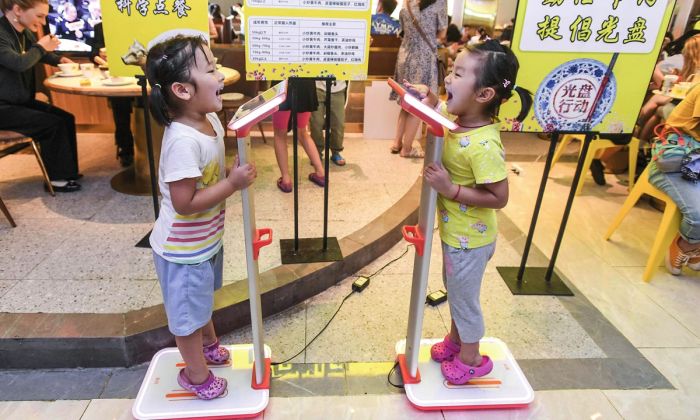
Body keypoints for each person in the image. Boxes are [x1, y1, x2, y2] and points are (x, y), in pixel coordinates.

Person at [402, 40, 532, 384]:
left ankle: (472, 357)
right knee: (456, 291)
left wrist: (452, 190)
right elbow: (438, 111)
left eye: (458, 73)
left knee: (464, 299)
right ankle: (458, 342)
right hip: (456, 234)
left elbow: (499, 196)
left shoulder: (484, 144)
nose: (449, 79)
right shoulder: (459, 120)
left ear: (485, 94)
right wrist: (427, 98)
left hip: (471, 240)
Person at [145, 35, 257, 400]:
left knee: (201, 301)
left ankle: (208, 345)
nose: (220, 74)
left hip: (205, 241)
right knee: (187, 317)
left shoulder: (208, 119)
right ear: (181, 89)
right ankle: (195, 374)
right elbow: (184, 202)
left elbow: (208, 169)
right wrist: (232, 184)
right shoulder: (181, 141)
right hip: (182, 250)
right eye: (210, 69)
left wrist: (227, 171)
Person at [0, 0, 81, 192]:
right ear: (18, 10)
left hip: (19, 102)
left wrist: (59, 60)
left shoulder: (22, 31)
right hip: (3, 108)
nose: (43, 22)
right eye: (39, 16)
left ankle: (67, 171)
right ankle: (57, 179)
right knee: (53, 124)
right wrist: (42, 46)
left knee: (66, 118)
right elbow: (19, 63)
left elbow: (39, 55)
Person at [648, 86, 700, 275]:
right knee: (698, 217)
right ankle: (686, 244)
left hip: (694, 163)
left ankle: (696, 244)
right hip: (677, 163)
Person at [390, 0, 447, 158]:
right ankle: (407, 149)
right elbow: (442, 34)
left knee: (406, 101)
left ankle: (397, 143)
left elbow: (402, 29)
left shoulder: (407, 2)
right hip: (424, 56)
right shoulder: (440, 2)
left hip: (405, 55)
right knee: (419, 104)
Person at [638, 34, 700, 143]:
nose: (683, 53)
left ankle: (637, 134)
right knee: (657, 105)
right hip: (685, 104)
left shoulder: (695, 70)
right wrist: (679, 77)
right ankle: (639, 139)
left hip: (686, 110)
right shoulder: (693, 68)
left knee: (657, 102)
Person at [87, 22, 133, 167]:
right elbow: (93, 53)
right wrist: (100, 58)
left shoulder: (141, 20)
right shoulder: (102, 26)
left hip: (145, 72)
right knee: (120, 111)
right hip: (117, 75)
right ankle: (126, 149)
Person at [272, 79, 325, 193]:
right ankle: (320, 173)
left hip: (282, 84)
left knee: (280, 134)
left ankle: (286, 180)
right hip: (306, 86)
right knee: (302, 132)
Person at [310, 79, 347, 166]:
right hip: (317, 87)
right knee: (316, 123)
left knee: (339, 123)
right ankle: (317, 153)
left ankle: (336, 152)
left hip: (338, 88)